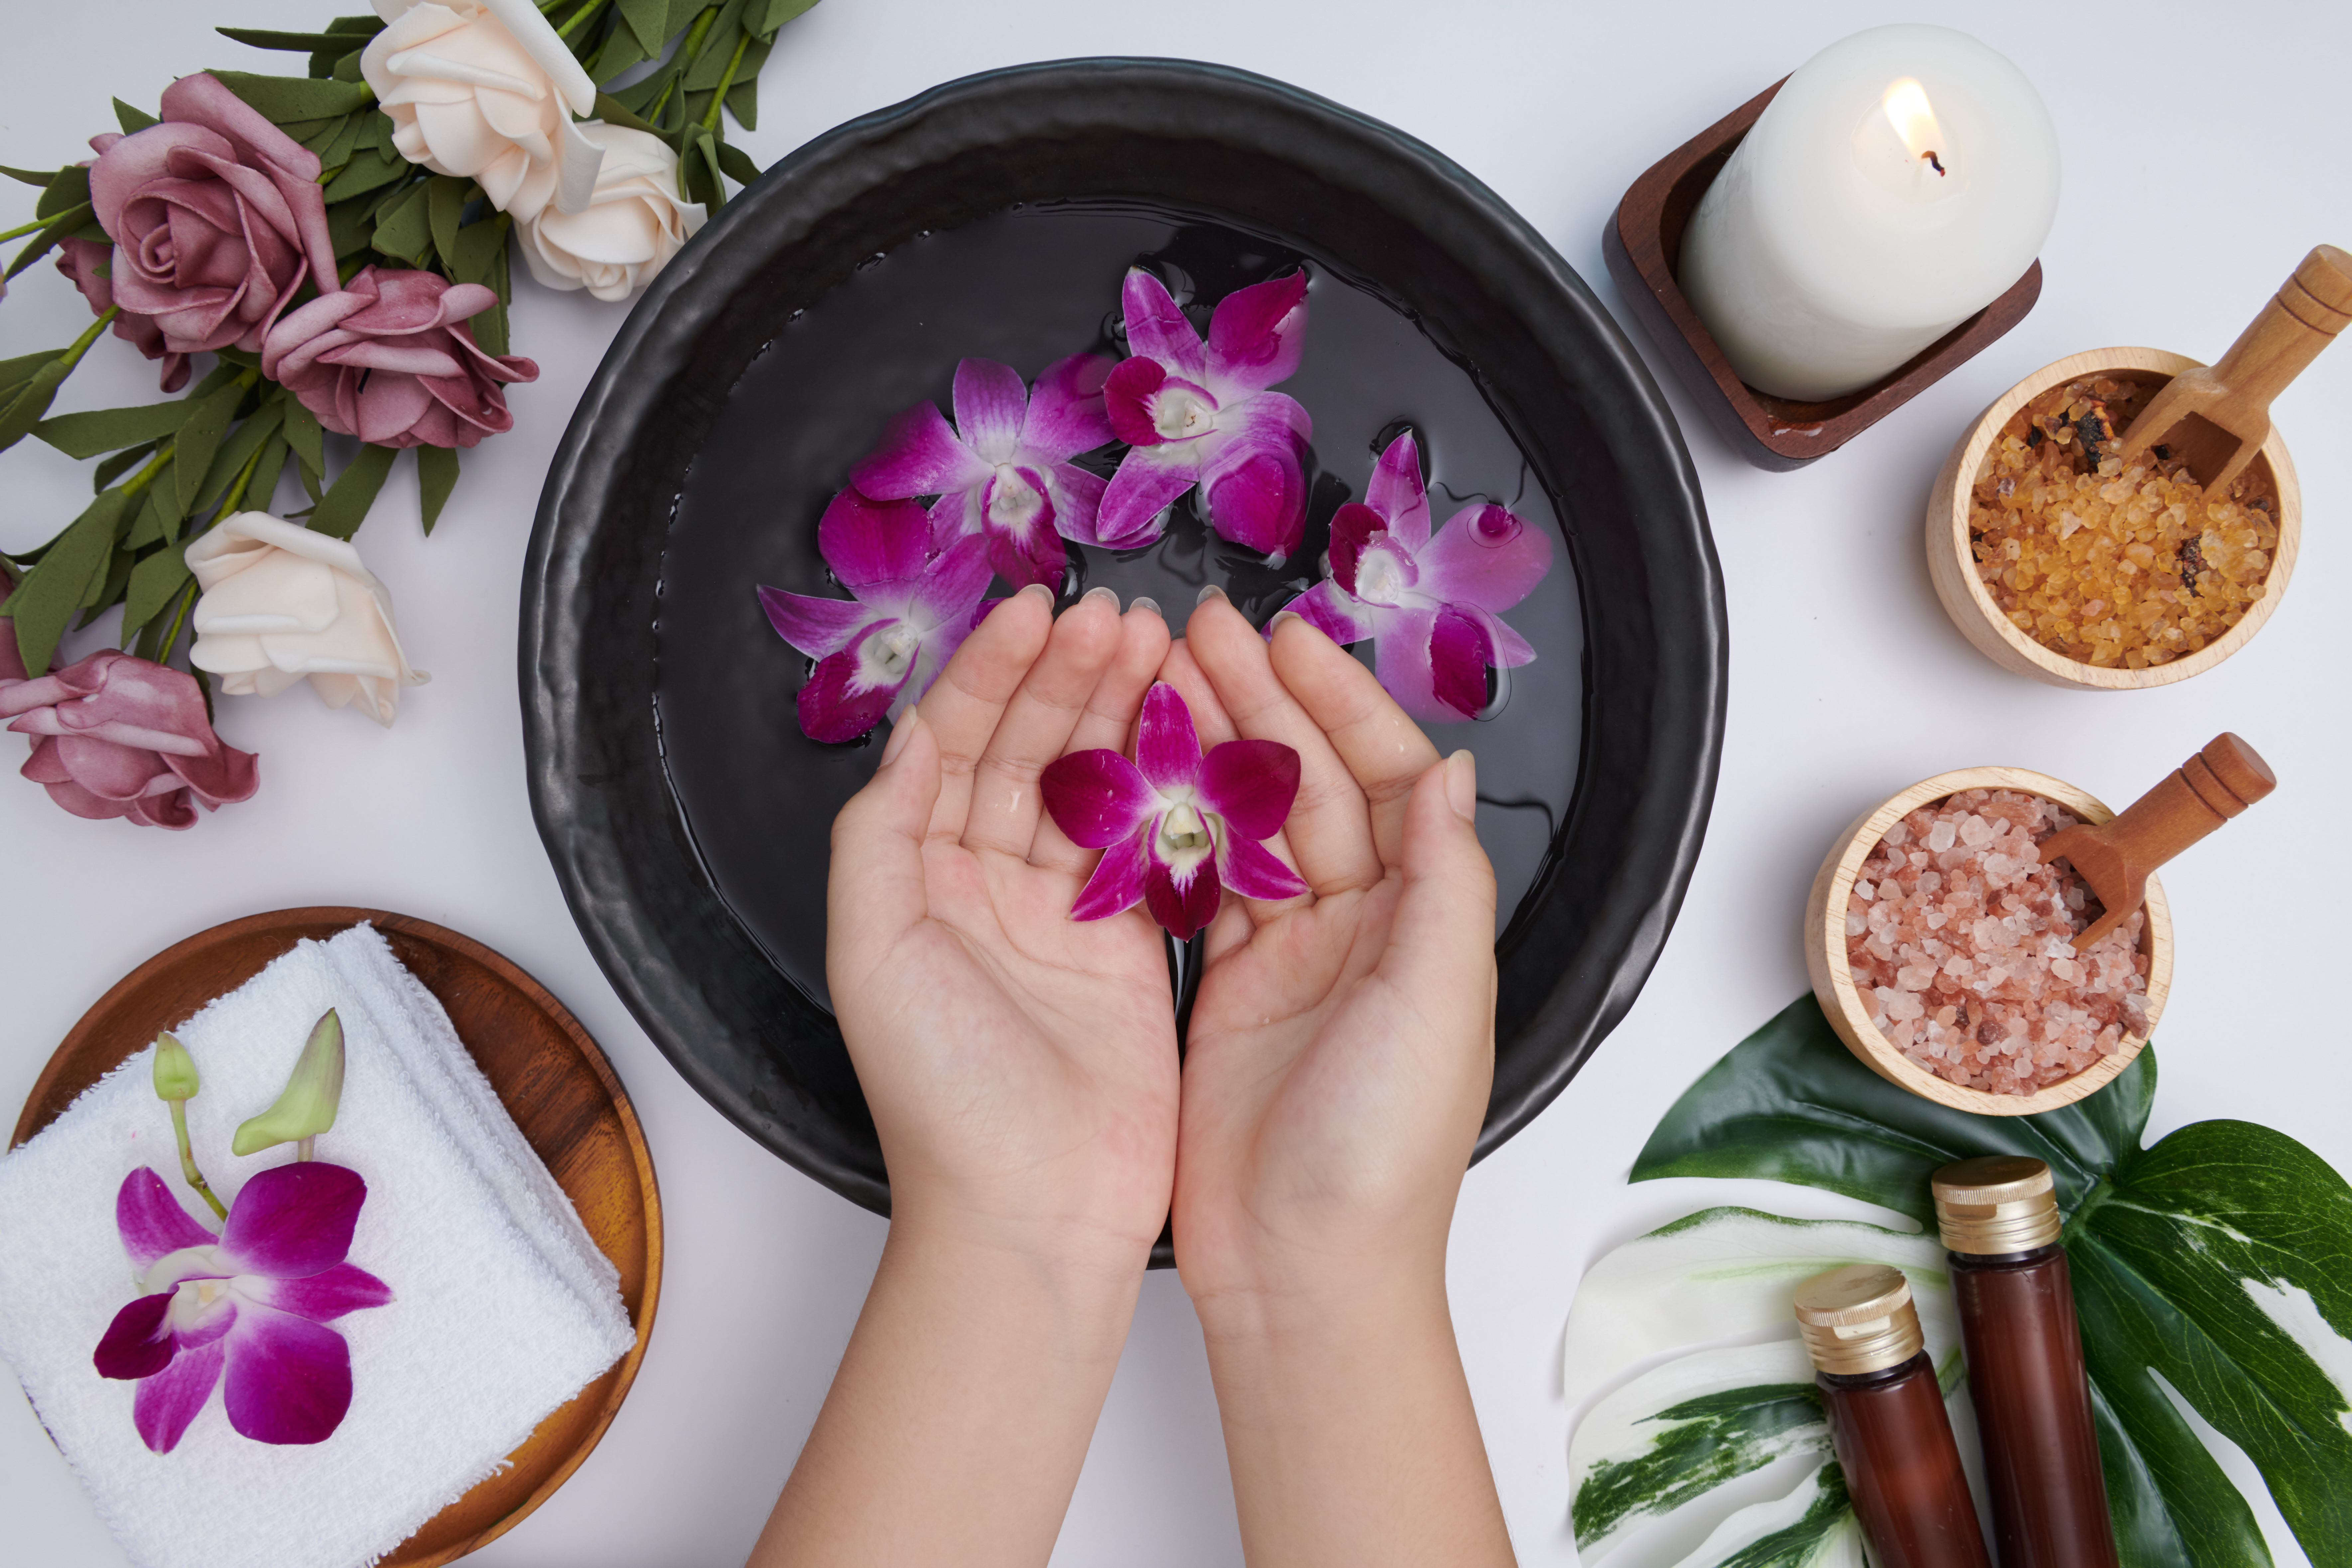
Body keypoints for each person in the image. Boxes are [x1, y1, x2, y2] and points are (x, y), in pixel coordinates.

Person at [748, 582, 1515, 1568]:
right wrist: (1331, 1276)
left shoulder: (1216, 861)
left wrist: (1014, 1234)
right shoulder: (1134, 860)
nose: (1189, 847)